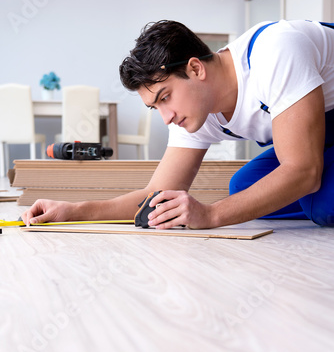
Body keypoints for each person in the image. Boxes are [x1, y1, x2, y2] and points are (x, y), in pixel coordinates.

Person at [22, 19, 334, 228]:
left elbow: (302, 170)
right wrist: (73, 211)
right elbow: (157, 193)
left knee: (319, 200)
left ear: (196, 69)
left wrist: (211, 214)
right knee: (243, 186)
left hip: (321, 131)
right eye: (155, 106)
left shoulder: (275, 53)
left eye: (165, 97)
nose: (166, 116)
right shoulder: (197, 108)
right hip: (321, 135)